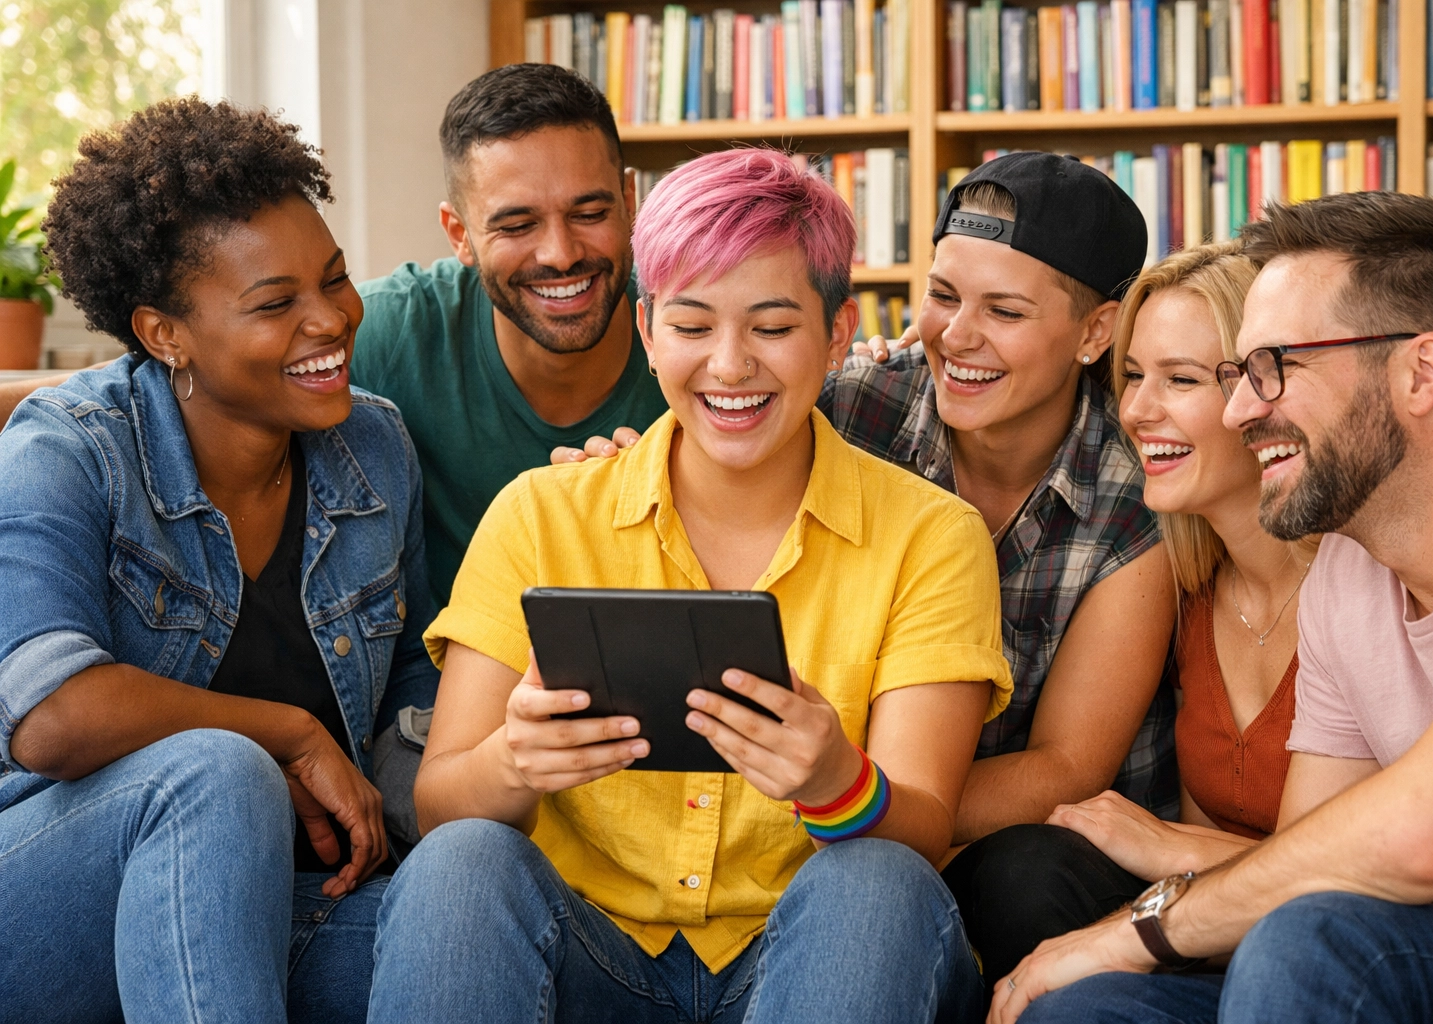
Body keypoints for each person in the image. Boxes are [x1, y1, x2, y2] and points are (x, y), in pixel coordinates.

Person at [367, 148, 1012, 1023]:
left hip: (807, 949)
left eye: (774, 327)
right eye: (693, 325)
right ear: (647, 330)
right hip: (589, 951)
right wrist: (511, 762)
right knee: (460, 861)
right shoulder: (540, 515)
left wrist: (834, 779)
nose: (730, 365)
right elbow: (444, 801)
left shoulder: (932, 538)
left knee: (879, 882)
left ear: (836, 333)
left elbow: (926, 826)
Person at [992, 191, 1433, 1024]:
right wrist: (1103, 949)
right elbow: (1298, 859)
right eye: (1241, 376)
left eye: (1277, 367)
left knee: (1310, 941)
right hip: (1423, 962)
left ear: (1421, 372)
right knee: (1086, 1010)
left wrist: (1132, 934)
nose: (1243, 408)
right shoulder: (1349, 575)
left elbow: (1431, 835)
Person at [562, 151, 1180, 848]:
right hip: (838, 819)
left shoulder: (1135, 495)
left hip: (1008, 838)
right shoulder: (850, 403)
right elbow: (715, 431)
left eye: (1004, 310)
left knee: (1022, 876)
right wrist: (617, 466)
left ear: (1096, 332)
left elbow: (1066, 766)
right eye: (943, 296)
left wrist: (842, 802)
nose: (958, 335)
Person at [0, 99, 437, 1022]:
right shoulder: (70, 449)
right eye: (276, 304)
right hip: (47, 886)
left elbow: (410, 685)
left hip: (278, 896)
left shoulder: (378, 448)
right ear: (165, 334)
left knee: (479, 916)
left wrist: (443, 819)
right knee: (218, 770)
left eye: (335, 279)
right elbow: (48, 713)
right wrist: (286, 730)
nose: (330, 321)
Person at [960, 242, 1315, 988]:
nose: (1136, 411)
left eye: (1180, 379)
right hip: (1224, 942)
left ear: (1266, 391)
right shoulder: (1194, 590)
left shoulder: (1357, 586)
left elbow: (1358, 873)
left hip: (1335, 959)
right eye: (1130, 377)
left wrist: (1164, 848)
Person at [348, 63, 668, 611]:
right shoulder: (384, 333)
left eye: (590, 212)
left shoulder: (698, 326)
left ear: (630, 198)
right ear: (460, 235)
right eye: (517, 227)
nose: (561, 254)